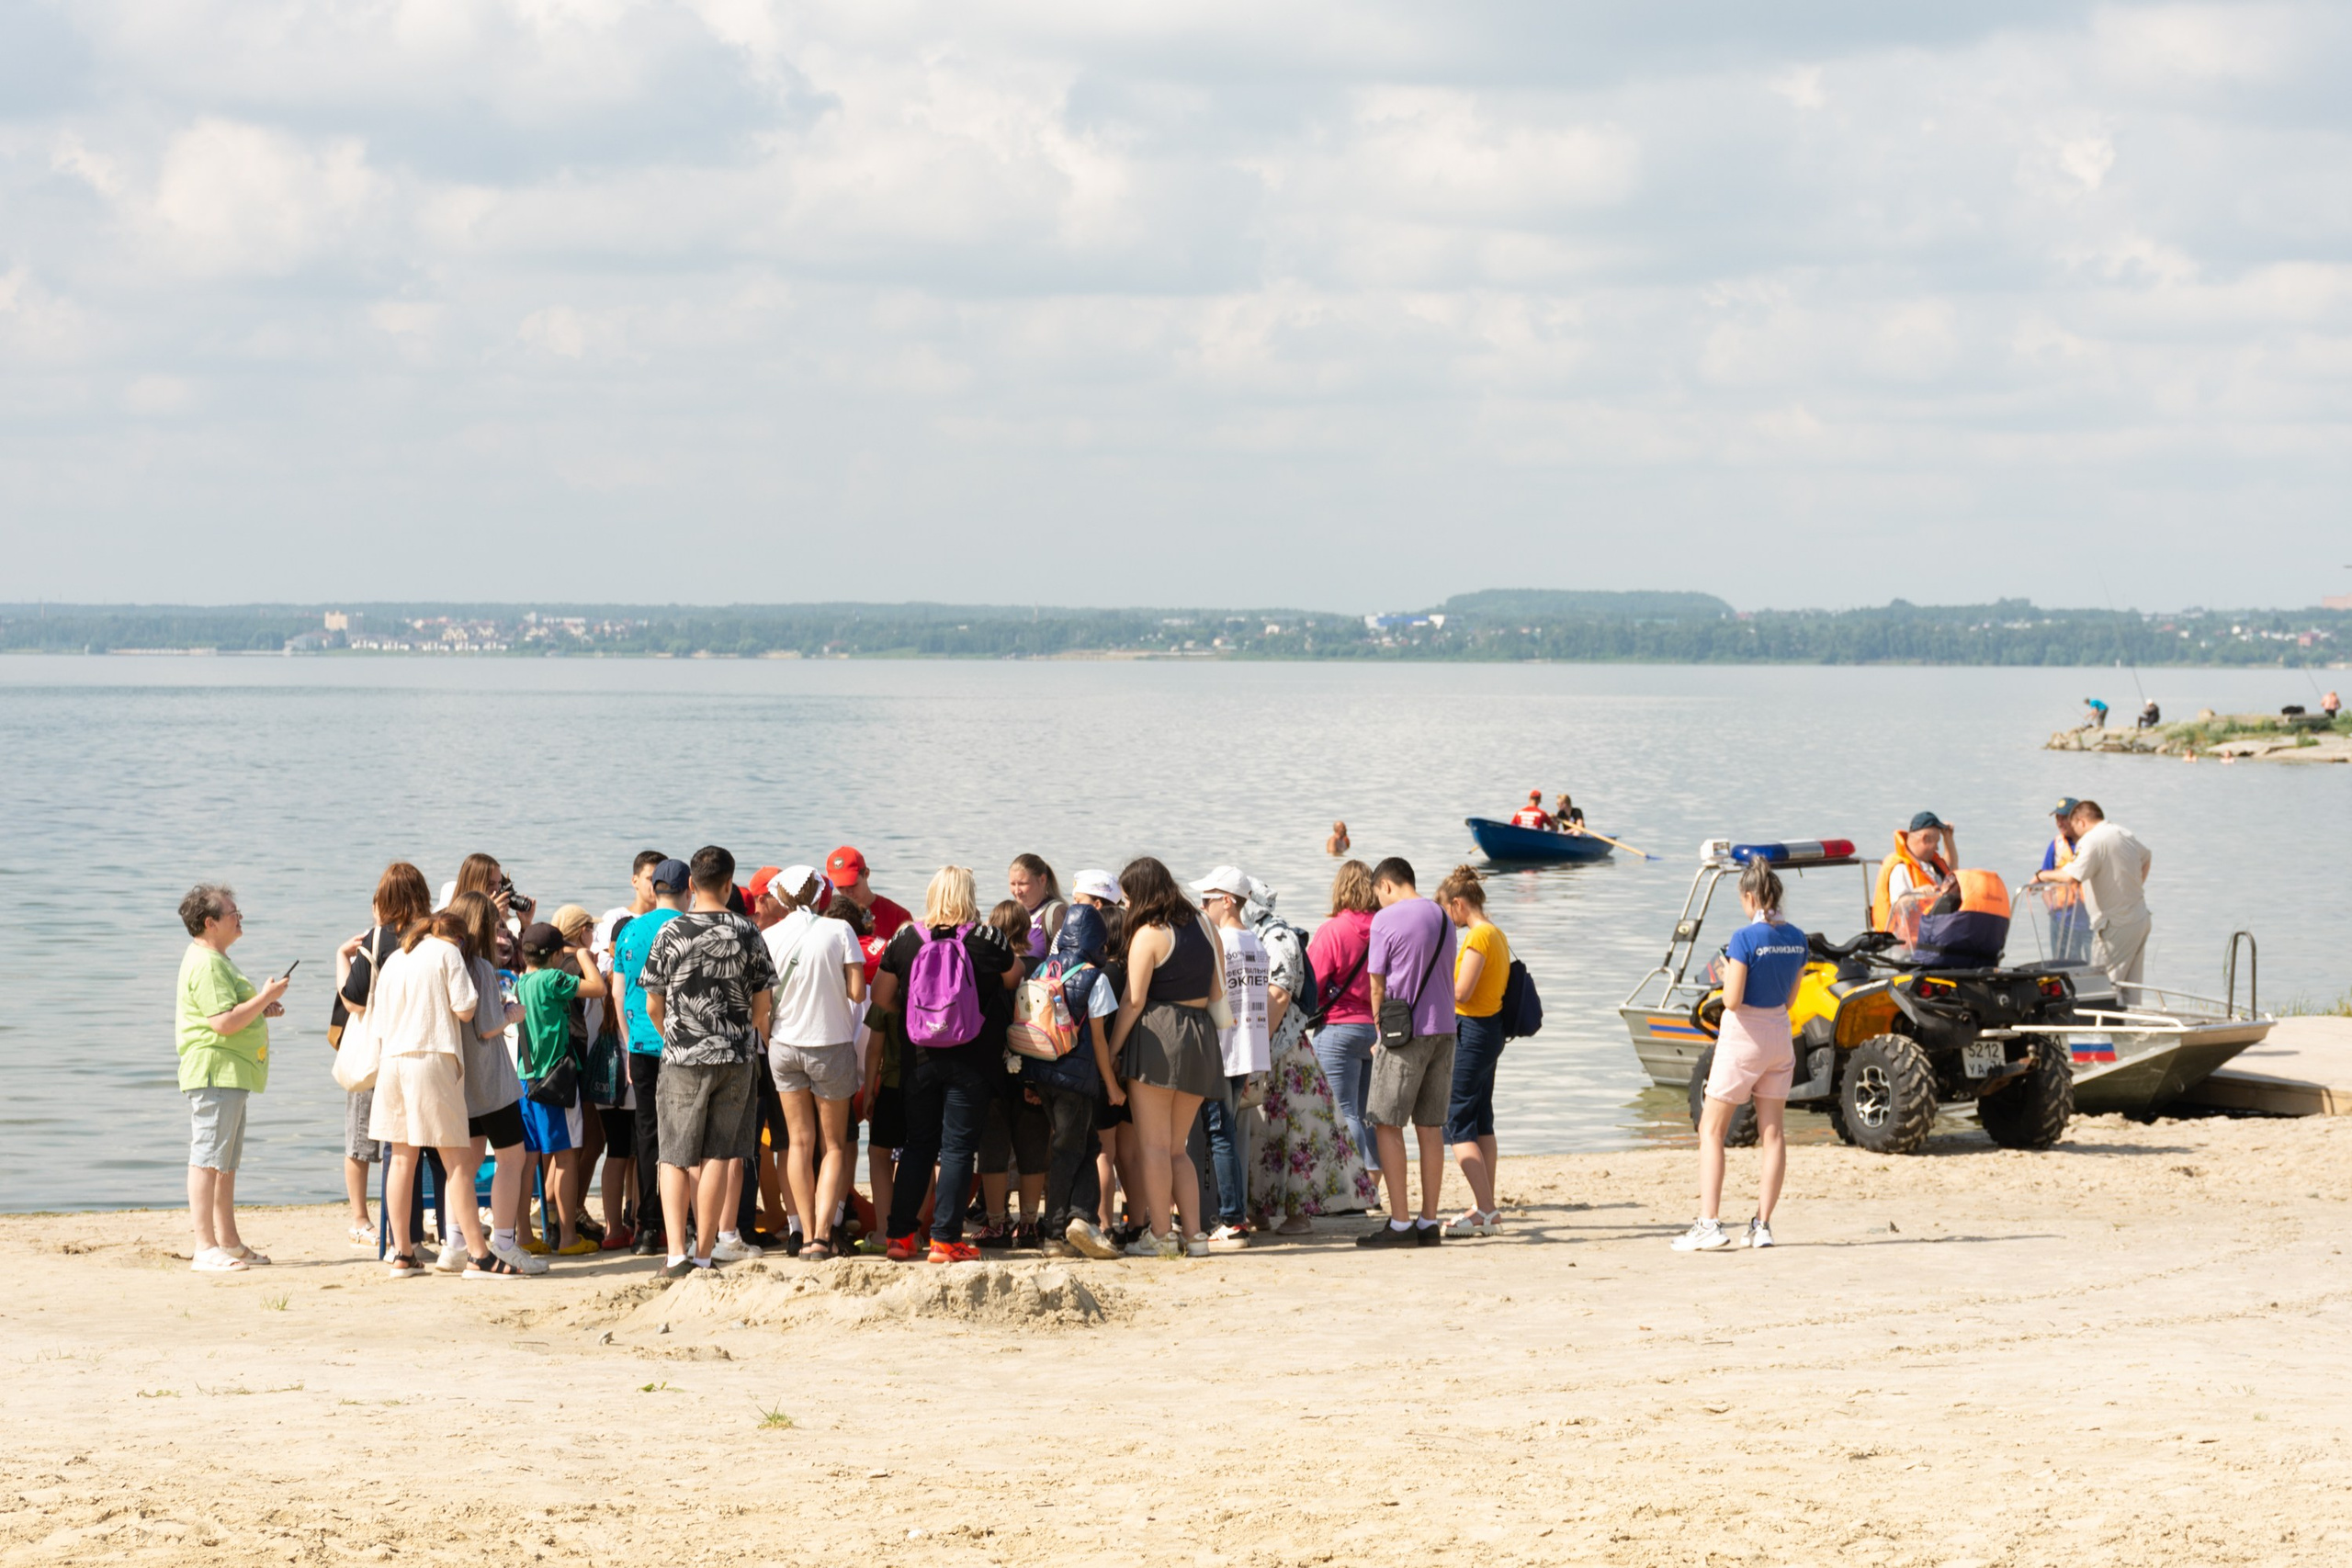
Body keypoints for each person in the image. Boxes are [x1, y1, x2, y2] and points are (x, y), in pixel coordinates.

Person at [637, 846, 778, 1278]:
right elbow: (763, 1005)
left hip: (682, 1055)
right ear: (729, 884)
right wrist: (737, 1032)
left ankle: (674, 1254)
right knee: (719, 1154)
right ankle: (703, 1253)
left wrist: (673, 1038)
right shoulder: (748, 931)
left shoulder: (671, 931)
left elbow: (653, 1004)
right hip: (734, 1055)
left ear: (691, 885)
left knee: (674, 1155)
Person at [872, 866, 1020, 1263]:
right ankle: (945, 1240)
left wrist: (917, 1014)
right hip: (972, 1060)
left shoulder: (906, 937)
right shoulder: (987, 938)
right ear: (969, 894)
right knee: (957, 1148)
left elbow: (881, 995)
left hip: (919, 1059)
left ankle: (900, 1236)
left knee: (917, 1145)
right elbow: (1014, 979)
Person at [1673, 858, 1804, 1252]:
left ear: (1750, 897)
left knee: (1711, 1129)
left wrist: (1727, 974)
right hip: (1779, 1035)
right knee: (1773, 1133)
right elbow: (1790, 999)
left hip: (1745, 1036)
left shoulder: (1743, 939)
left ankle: (1709, 1223)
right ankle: (1762, 1225)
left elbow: (1731, 1000)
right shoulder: (1799, 938)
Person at [365, 908, 496, 1279]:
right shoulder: (447, 952)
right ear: (457, 937)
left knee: (401, 1160)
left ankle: (402, 1253)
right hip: (432, 1056)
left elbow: (378, 1020)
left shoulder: (396, 958)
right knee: (457, 1161)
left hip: (393, 1060)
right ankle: (479, 1254)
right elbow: (466, 1009)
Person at [1106, 856, 1227, 1259]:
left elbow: (1133, 1000)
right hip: (1200, 1034)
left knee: (1153, 1147)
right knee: (1178, 1148)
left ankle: (1160, 1234)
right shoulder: (1206, 925)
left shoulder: (1149, 933)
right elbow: (1217, 993)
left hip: (1159, 1035)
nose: (1126, 907)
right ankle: (1195, 1235)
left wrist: (1113, 1050)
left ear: (1141, 895)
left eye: (1127, 899)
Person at [1244, 875, 1374, 1235]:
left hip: (1284, 1049)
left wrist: (1256, 1043)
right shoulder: (1260, 935)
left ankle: (1298, 1214)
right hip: (1322, 1036)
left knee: (1298, 1130)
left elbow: (1281, 993)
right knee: (1269, 1130)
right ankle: (1259, 1209)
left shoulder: (1278, 937)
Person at [175, 885, 287, 1273]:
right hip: (215, 1070)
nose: (239, 918)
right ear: (210, 922)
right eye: (233, 912)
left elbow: (230, 1013)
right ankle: (205, 1247)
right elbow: (222, 1023)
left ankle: (228, 1241)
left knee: (224, 1162)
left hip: (230, 1072)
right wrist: (263, 998)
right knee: (207, 1158)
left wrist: (260, 1009)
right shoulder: (206, 963)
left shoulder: (217, 959)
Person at [762, 865, 867, 1261]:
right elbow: (857, 993)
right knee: (834, 1145)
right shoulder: (840, 930)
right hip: (830, 1043)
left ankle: (804, 1234)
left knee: (798, 1144)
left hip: (784, 1046)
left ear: (781, 896)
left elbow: (762, 1002)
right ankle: (823, 1235)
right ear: (820, 892)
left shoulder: (769, 936)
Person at [1356, 857, 1457, 1250]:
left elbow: (1377, 986)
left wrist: (1379, 1031)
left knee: (1385, 1121)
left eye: (1377, 894)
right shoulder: (1444, 916)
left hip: (1406, 1034)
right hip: (1445, 1029)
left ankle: (1400, 1222)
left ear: (1385, 885)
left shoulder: (1385, 920)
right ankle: (1428, 1221)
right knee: (1430, 1126)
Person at [332, 863, 432, 1248]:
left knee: (361, 1140)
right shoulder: (431, 935)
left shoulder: (378, 938)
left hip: (378, 1048)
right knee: (411, 1144)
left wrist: (341, 957)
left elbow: (353, 1001)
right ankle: (411, 1225)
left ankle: (361, 1219)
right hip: (419, 1048)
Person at [1016, 904, 1125, 1259]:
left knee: (1082, 1144)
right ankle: (1062, 1229)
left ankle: (1077, 1219)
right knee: (1071, 1149)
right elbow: (1099, 1042)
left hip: (1042, 1071)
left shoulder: (1043, 968)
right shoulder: (1096, 977)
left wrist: (1030, 1081)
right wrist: (1111, 1086)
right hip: (1074, 1080)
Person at [447, 890, 539, 1277]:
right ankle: (503, 1241)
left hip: (460, 1080)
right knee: (512, 1159)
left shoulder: (449, 964)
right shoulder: (481, 967)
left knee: (464, 1165)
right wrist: (511, 1014)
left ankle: (457, 1242)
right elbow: (486, 1027)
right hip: (491, 1080)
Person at [515, 920, 608, 1258]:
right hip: (556, 1082)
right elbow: (597, 988)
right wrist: (583, 955)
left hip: (526, 1080)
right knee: (567, 1155)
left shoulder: (521, 983)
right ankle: (568, 1237)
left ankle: (525, 1235)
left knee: (529, 1160)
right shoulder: (553, 979)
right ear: (556, 955)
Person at [1194, 866, 1270, 1251]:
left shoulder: (1220, 941)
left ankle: (1231, 1219)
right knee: (1227, 1132)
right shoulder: (1256, 941)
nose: (1201, 906)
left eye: (1206, 900)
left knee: (1220, 1134)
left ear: (1227, 901)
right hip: (1247, 1048)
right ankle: (1235, 1215)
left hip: (1222, 1049)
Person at [613, 854, 684, 1257]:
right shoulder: (688, 927)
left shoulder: (629, 930)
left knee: (648, 1135)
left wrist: (628, 1044)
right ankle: (684, 1223)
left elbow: (617, 994)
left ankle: (647, 1227)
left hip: (641, 1044)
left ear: (654, 889)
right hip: (683, 1045)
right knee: (686, 1135)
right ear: (688, 891)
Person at [1436, 865, 1510, 1237]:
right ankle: (1485, 1204)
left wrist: (1434, 986)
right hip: (1490, 1028)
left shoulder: (1478, 937)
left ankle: (1486, 1208)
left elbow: (1463, 992)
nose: (1447, 920)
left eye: (1446, 911)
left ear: (1458, 904)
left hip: (1473, 1030)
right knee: (1481, 1119)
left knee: (1456, 1118)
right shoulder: (1495, 933)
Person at [1306, 860, 1384, 1211]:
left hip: (1339, 1027)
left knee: (1343, 1112)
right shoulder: (1384, 928)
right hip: (1376, 1029)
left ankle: (1349, 1191)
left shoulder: (1334, 930)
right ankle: (1372, 1189)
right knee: (1368, 1114)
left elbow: (1312, 982)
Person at [975, 899, 1051, 1247]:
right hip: (1034, 1069)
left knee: (993, 1149)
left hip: (992, 1069)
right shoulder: (1041, 969)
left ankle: (996, 1224)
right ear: (1026, 929)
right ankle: (1030, 1224)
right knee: (1032, 1147)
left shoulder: (985, 971)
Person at [2032, 800, 2154, 987]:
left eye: (2074, 826)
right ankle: (2129, 1009)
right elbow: (2146, 857)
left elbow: (2071, 876)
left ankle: (2106, 1008)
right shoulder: (2121, 833)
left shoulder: (2092, 840)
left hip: (2115, 924)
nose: (2074, 833)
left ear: (2081, 822)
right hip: (2139, 918)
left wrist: (2041, 875)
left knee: (2102, 984)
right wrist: (2132, 891)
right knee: (2129, 987)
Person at [1872, 811, 1957, 937]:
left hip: (1932, 935)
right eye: (1936, 842)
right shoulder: (1900, 868)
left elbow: (1950, 872)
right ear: (1925, 839)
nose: (1937, 848)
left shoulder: (1930, 863)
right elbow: (1899, 905)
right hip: (1905, 942)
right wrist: (1918, 893)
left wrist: (1948, 839)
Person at [2035, 798, 2091, 964]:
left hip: (2090, 921)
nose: (2060, 823)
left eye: (2064, 818)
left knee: (2097, 967)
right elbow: (2045, 881)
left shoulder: (2091, 844)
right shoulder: (2056, 846)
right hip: (2062, 922)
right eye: (2057, 818)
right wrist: (2052, 912)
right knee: (2063, 968)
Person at [826, 846, 912, 943]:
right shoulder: (827, 918)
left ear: (866, 874)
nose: (847, 893)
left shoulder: (899, 917)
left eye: (853, 885)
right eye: (840, 887)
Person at [1008, 854, 1068, 959]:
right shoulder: (1010, 913)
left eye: (1023, 884)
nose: (1017, 891)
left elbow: (1069, 958)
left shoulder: (1057, 913)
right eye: (1013, 884)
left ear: (1042, 880)